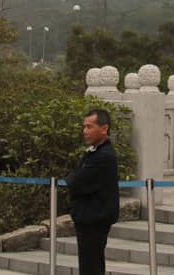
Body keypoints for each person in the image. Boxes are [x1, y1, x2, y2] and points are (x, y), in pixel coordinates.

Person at [66, 109, 120, 275]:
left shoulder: (104, 156)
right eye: (84, 127)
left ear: (103, 129)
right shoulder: (94, 152)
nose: (85, 131)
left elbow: (76, 182)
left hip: (95, 218)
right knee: (90, 263)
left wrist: (73, 179)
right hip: (87, 217)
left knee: (91, 265)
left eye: (90, 127)